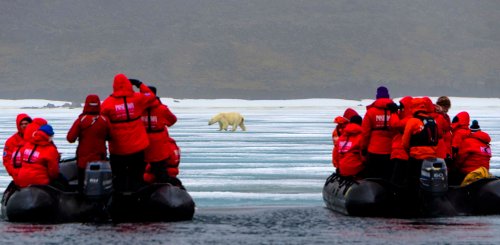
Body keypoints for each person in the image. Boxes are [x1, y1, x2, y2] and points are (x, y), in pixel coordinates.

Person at [100, 74, 156, 192]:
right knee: (137, 176)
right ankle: (138, 200)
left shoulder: (107, 103)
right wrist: (139, 84)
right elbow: (151, 96)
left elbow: (102, 123)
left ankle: (119, 201)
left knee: (118, 177)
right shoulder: (137, 98)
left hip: (118, 149)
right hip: (138, 147)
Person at [67, 94, 111, 190]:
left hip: (83, 159)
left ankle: (81, 198)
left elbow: (70, 138)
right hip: (100, 158)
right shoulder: (104, 120)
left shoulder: (81, 120)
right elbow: (111, 136)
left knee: (82, 184)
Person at [140, 86, 182, 186]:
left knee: (142, 171)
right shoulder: (162, 109)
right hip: (159, 147)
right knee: (160, 172)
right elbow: (172, 120)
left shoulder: (137, 109)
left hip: (142, 145)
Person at [401, 98, 439, 190]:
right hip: (432, 158)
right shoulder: (432, 121)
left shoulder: (413, 121)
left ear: (413, 107)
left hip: (417, 157)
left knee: (411, 182)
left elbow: (405, 142)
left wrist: (410, 152)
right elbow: (437, 138)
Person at [361, 86, 398, 180]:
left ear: (377, 97)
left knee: (372, 177)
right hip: (391, 150)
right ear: (388, 96)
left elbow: (365, 133)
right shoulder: (395, 111)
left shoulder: (371, 112)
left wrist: (363, 148)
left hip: (373, 150)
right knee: (388, 176)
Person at [454, 120, 492, 184]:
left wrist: (453, 168)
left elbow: (460, 159)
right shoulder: (486, 144)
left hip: (470, 173)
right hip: (484, 172)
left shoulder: (468, 142)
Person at [388, 96, 413, 187]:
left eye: (402, 107)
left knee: (397, 179)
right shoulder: (403, 117)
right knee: (397, 178)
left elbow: (396, 125)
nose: (400, 109)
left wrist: (394, 113)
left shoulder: (409, 119)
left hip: (402, 153)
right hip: (398, 152)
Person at [3, 114, 32, 182]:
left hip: (33, 174)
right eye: (21, 124)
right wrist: (15, 174)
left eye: (26, 123)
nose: (24, 125)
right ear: (18, 125)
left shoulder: (36, 138)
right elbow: (7, 160)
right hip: (18, 175)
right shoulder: (11, 141)